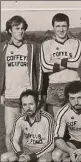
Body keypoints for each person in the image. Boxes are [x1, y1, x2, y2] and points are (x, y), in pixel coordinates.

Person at [0, 15, 41, 151]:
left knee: (27, 133)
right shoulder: (3, 47)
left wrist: (38, 93)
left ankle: (26, 158)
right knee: (10, 132)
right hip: (10, 96)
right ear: (10, 30)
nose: (20, 31)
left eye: (23, 28)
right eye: (17, 28)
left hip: (28, 97)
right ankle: (12, 158)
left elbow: (39, 70)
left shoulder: (32, 47)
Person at [40, 13, 81, 117]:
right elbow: (45, 67)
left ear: (68, 26)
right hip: (54, 85)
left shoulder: (76, 42)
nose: (61, 29)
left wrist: (56, 60)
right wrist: (68, 62)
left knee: (74, 121)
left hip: (73, 85)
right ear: (53, 27)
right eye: (58, 26)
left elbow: (76, 63)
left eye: (64, 26)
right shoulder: (46, 44)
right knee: (56, 123)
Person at [0, 90, 54, 162]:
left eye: (31, 104)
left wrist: (32, 156)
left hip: (43, 152)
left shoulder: (47, 118)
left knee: (43, 161)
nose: (28, 108)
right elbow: (13, 140)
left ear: (37, 103)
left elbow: (50, 144)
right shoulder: (20, 118)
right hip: (26, 152)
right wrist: (20, 154)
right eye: (24, 105)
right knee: (3, 157)